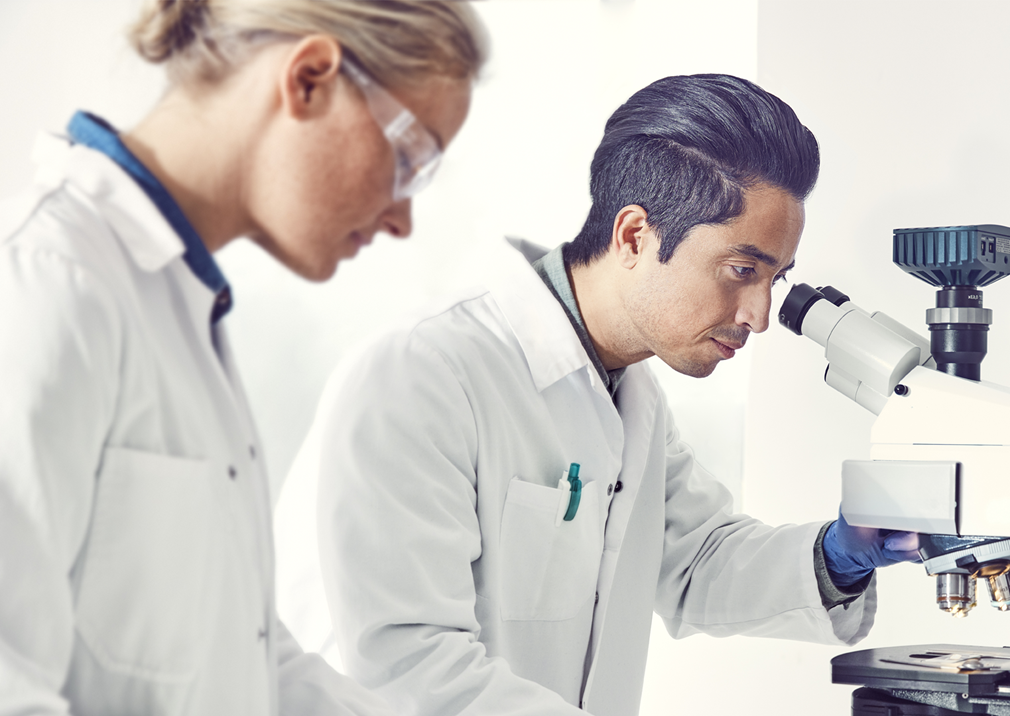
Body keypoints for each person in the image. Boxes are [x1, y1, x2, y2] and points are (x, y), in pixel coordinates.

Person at [286, 74, 919, 716]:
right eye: (741, 271)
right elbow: (407, 672)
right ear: (635, 235)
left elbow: (695, 562)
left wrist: (840, 554)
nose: (758, 315)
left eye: (774, 279)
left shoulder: (629, 393)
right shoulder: (425, 372)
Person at [0, 1, 485, 714]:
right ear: (310, 78)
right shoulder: (48, 281)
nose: (402, 218)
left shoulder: (179, 306)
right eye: (410, 160)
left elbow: (241, 652)